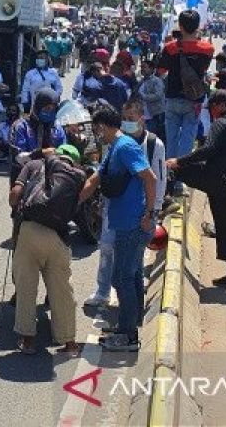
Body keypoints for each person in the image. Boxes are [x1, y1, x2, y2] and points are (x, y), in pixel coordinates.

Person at [78, 106, 158, 352]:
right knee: (130, 275)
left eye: (96, 128)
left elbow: (150, 178)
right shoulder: (113, 148)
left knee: (120, 277)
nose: (96, 133)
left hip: (133, 223)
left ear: (102, 126)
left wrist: (148, 214)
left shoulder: (125, 147)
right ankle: (129, 325)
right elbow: (95, 180)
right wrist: (74, 202)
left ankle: (128, 336)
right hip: (122, 222)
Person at [167, 90, 226, 290]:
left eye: (212, 108)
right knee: (224, 224)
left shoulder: (221, 124)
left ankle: (164, 202)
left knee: (176, 170)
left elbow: (208, 150)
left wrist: (179, 161)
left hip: (217, 178)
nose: (211, 112)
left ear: (219, 105)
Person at [9, 145, 84, 356]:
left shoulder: (33, 164)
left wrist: (16, 206)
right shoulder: (76, 177)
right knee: (62, 291)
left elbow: (15, 194)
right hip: (59, 236)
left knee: (26, 288)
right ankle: (69, 344)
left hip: (30, 231)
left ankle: (28, 340)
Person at [157, 10, 215, 159]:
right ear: (198, 26)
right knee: (188, 139)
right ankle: (182, 173)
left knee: (171, 139)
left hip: (173, 96)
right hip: (194, 99)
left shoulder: (170, 47)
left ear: (180, 26)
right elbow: (204, 70)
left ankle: (170, 172)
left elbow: (161, 70)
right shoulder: (208, 49)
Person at [8, 87, 66, 186]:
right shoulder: (20, 126)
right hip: (24, 177)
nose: (50, 112)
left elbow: (65, 151)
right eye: (47, 109)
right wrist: (42, 153)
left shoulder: (57, 128)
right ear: (38, 107)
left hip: (51, 179)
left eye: (53, 109)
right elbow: (17, 157)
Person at [137, 58, 166, 141]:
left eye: (144, 67)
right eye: (141, 67)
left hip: (156, 114)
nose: (142, 69)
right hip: (144, 115)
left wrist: (144, 96)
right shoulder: (141, 81)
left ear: (152, 69)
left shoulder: (157, 81)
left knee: (157, 138)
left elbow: (158, 95)